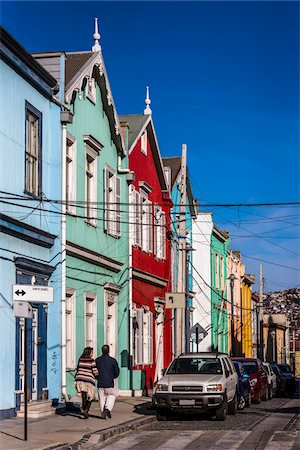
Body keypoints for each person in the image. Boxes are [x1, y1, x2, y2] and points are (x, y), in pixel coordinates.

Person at [95, 344, 120, 419]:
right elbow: (117, 372)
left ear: (102, 351)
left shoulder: (97, 360)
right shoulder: (113, 361)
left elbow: (95, 371)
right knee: (112, 395)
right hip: (109, 382)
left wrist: (97, 377)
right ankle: (107, 408)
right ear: (108, 351)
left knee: (101, 398)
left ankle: (103, 413)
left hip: (100, 382)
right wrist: (113, 377)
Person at [74, 347, 98, 419]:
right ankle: (86, 409)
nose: (92, 353)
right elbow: (95, 371)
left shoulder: (80, 359)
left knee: (83, 395)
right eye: (92, 352)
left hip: (80, 379)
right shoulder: (92, 361)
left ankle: (84, 408)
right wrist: (97, 375)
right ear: (89, 352)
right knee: (90, 396)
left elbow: (78, 368)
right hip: (88, 380)